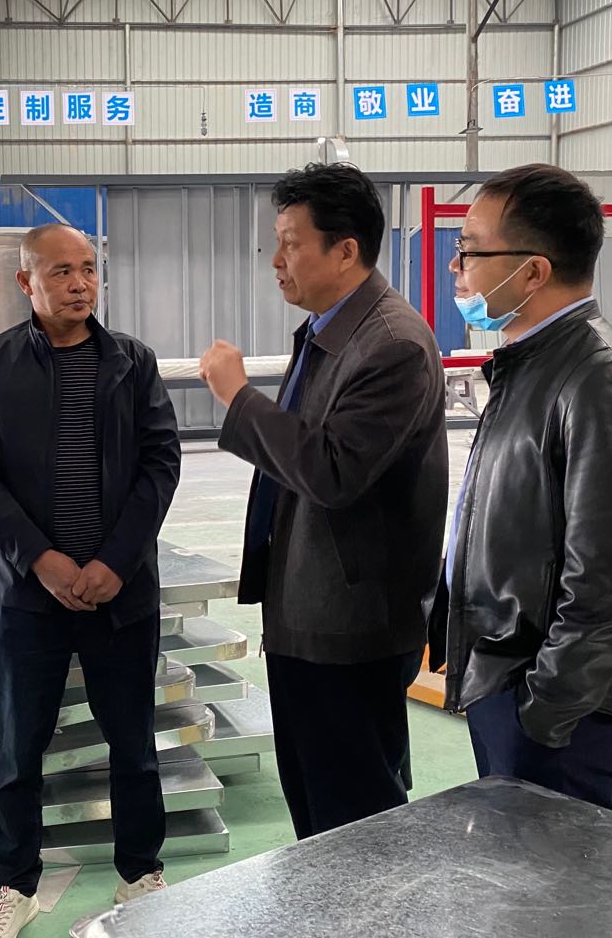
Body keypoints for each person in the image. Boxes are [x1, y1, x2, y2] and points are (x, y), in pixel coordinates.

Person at [199, 162, 448, 841]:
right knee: (317, 809)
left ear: (345, 251)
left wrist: (238, 398)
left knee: (355, 820)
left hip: (351, 624)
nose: (276, 260)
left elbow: (333, 470)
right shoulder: (332, 329)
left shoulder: (391, 344)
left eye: (291, 243)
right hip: (310, 607)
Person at [428, 163, 612, 813]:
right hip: (510, 676)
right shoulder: (531, 364)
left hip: (559, 705)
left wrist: (544, 712)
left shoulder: (605, 382)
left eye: (471, 250)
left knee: (565, 869)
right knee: (521, 861)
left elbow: (609, 580)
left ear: (533, 272)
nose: (456, 267)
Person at [0, 223, 181, 938]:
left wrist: (115, 560)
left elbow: (160, 464)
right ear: (27, 282)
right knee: (20, 749)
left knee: (133, 745)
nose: (80, 283)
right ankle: (15, 886)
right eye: (61, 272)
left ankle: (140, 874)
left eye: (88, 269)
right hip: (31, 596)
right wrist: (39, 559)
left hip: (121, 595)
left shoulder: (132, 363)